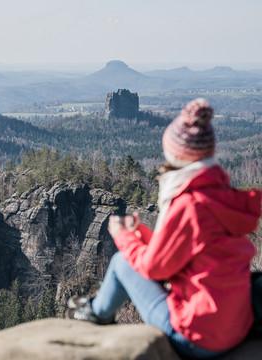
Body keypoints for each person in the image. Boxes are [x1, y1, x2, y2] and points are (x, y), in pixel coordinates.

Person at [67, 98, 262, 359]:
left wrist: (122, 236)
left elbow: (155, 268)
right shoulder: (222, 197)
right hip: (236, 327)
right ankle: (94, 310)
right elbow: (190, 250)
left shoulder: (191, 205)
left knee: (121, 262)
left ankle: (95, 314)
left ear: (177, 155)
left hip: (198, 337)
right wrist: (144, 236)